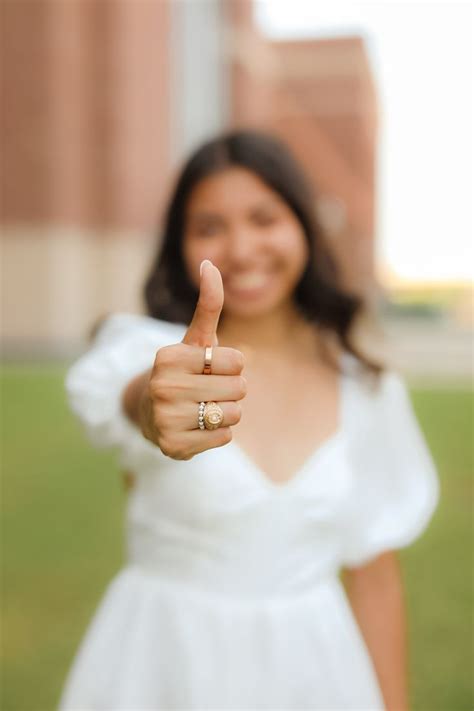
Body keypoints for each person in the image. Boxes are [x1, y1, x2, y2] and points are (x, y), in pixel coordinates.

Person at [59, 130, 439, 710]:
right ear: (179, 246)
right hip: (162, 667)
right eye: (209, 227)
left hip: (316, 674)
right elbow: (131, 397)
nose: (240, 249)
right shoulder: (155, 357)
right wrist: (153, 408)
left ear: (304, 226)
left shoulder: (368, 388)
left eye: (264, 218)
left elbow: (376, 578)